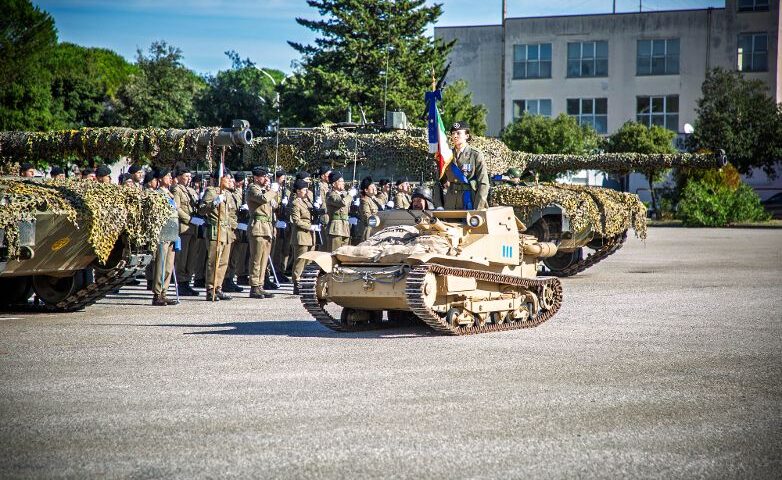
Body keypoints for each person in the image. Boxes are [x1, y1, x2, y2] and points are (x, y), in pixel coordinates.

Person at [200, 169, 236, 301]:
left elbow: (231, 214)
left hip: (226, 232)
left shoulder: (227, 194)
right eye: (227, 178)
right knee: (213, 261)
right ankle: (210, 288)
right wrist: (214, 202)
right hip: (215, 230)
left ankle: (218, 287)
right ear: (220, 179)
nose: (229, 181)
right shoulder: (212, 191)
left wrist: (233, 226)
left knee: (223, 262)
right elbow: (202, 209)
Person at [246, 166, 277, 299]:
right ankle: (254, 286)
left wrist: (273, 191)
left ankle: (260, 284)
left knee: (264, 258)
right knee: (256, 258)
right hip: (258, 226)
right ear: (257, 177)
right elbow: (263, 199)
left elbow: (274, 205)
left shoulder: (265, 190)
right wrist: (272, 191)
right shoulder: (253, 188)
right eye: (264, 177)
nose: (266, 179)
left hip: (267, 227)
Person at [443, 121, 490, 210]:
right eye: (453, 133)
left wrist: (478, 207)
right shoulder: (447, 155)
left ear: (466, 136)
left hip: (470, 199)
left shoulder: (475, 154)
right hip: (451, 202)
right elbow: (439, 181)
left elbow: (483, 183)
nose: (455, 136)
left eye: (458, 133)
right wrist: (439, 206)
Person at [171, 167, 202, 297]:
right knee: (182, 258)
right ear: (178, 177)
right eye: (186, 176)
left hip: (193, 228)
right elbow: (176, 208)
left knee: (191, 258)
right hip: (184, 227)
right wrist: (189, 219)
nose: (189, 179)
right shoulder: (176, 189)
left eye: (189, 176)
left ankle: (187, 281)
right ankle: (181, 283)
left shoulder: (191, 190)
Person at [151, 168, 179, 306]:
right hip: (163, 233)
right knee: (161, 264)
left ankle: (164, 292)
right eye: (167, 176)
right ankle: (157, 294)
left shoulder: (170, 194)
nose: (170, 178)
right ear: (161, 179)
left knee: (168, 266)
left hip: (172, 233)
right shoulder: (158, 195)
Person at [290, 178, 315, 295]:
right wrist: (309, 227)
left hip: (310, 236)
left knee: (309, 261)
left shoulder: (307, 202)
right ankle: (297, 283)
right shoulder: (296, 203)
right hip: (301, 235)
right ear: (298, 191)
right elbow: (296, 220)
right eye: (304, 189)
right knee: (300, 260)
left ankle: (305, 282)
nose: (306, 191)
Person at [224, 172, 247, 293]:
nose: (232, 183)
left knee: (234, 257)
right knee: (227, 257)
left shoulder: (238, 194)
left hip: (238, 229)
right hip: (231, 229)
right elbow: (228, 214)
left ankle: (230, 279)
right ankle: (225, 279)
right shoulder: (229, 195)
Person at [325, 171, 355, 251]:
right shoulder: (331, 194)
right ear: (334, 184)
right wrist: (350, 195)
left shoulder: (343, 194)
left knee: (344, 254)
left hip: (345, 227)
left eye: (343, 181)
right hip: (335, 228)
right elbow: (342, 203)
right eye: (340, 181)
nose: (343, 183)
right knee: (334, 254)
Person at [270, 169, 291, 283]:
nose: (284, 180)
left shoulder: (286, 191)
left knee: (285, 249)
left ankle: (281, 271)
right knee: (276, 249)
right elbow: (272, 205)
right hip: (276, 221)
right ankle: (275, 271)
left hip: (285, 222)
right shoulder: (273, 190)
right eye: (282, 177)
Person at [357, 176, 379, 242]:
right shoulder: (364, 201)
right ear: (366, 190)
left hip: (376, 229)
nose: (375, 188)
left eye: (374, 186)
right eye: (372, 187)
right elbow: (368, 218)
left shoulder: (373, 199)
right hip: (369, 231)